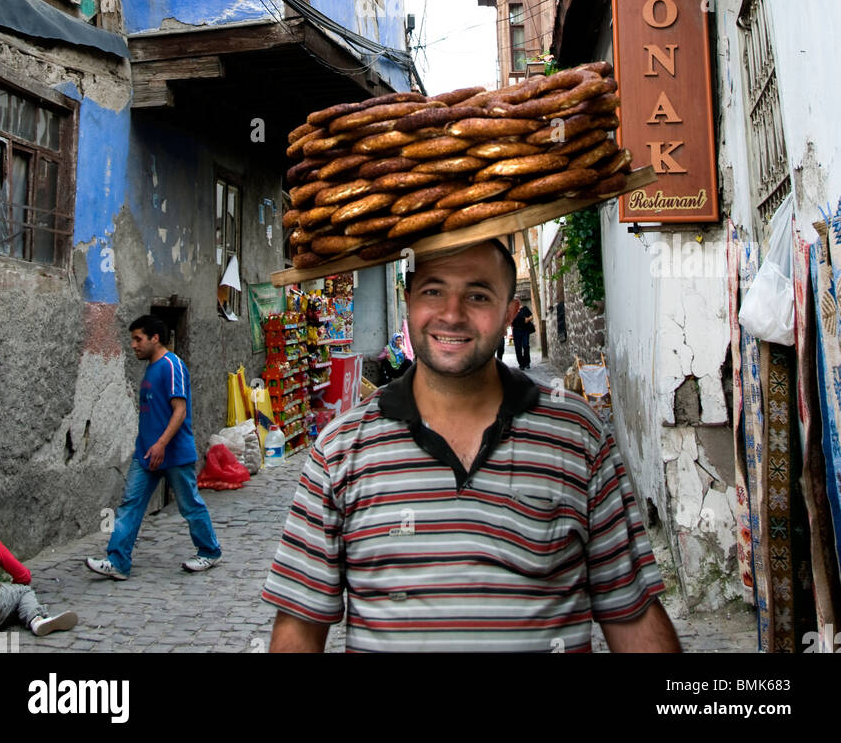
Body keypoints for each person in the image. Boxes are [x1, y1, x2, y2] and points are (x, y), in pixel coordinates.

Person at [262, 239, 680, 653]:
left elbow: (633, 613)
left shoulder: (576, 436)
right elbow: (299, 628)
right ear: (408, 302)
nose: (452, 314)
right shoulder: (340, 449)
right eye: (433, 291)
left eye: (478, 295)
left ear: (508, 315)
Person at [86, 315, 222, 580]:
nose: (133, 345)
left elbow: (179, 411)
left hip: (173, 452)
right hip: (147, 453)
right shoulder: (151, 367)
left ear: (155, 338)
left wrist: (161, 443)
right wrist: (149, 446)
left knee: (189, 504)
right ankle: (118, 561)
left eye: (138, 339)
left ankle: (209, 551)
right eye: (132, 339)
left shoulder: (172, 366)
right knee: (130, 504)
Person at [0, 514, 77, 637]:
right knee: (23, 591)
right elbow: (24, 576)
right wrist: (13, 591)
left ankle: (13, 611)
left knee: (4, 602)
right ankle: (36, 620)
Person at [511, 301, 534, 369]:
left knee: (526, 346)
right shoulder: (512, 311)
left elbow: (531, 316)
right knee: (518, 348)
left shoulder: (524, 308)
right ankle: (521, 364)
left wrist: (528, 319)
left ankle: (527, 362)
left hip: (525, 330)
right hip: (516, 331)